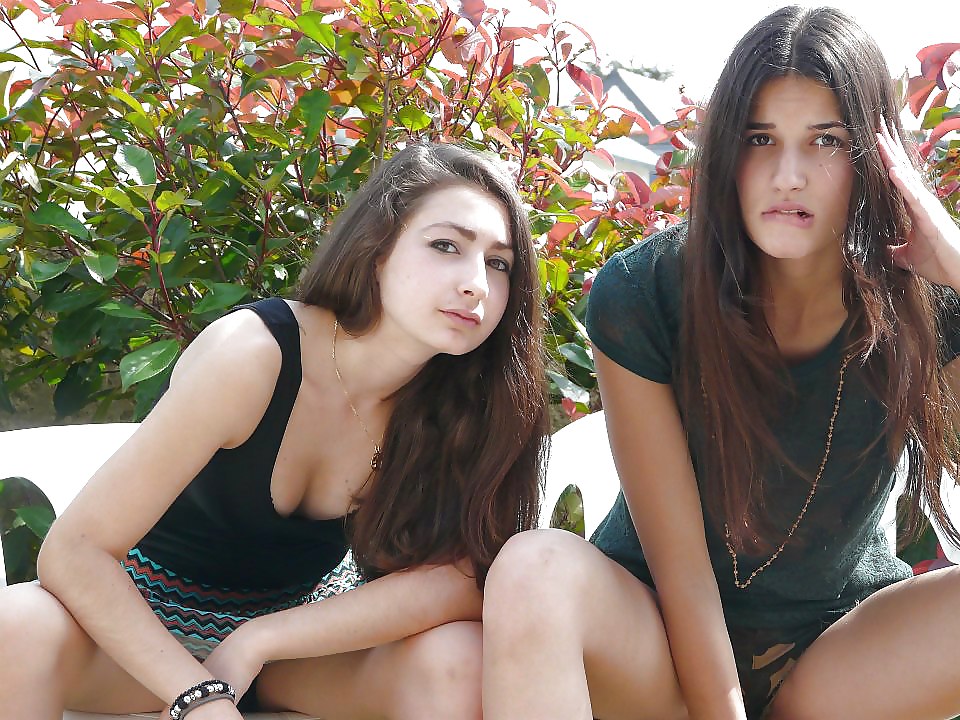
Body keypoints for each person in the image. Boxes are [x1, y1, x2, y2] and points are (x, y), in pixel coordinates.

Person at [482, 6, 960, 720]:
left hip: (835, 653)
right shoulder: (647, 292)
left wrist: (956, 260)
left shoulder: (925, 305)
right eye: (759, 139)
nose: (788, 175)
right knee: (531, 568)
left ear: (875, 155)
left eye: (826, 141)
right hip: (659, 643)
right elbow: (682, 574)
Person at [0, 142, 549, 719]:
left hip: (297, 647)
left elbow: (461, 579)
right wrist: (196, 695)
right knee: (18, 626)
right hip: (147, 640)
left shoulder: (473, 402)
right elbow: (75, 551)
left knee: (462, 659)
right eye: (446, 245)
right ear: (376, 248)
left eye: (498, 264)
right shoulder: (253, 355)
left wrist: (259, 641)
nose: (476, 284)